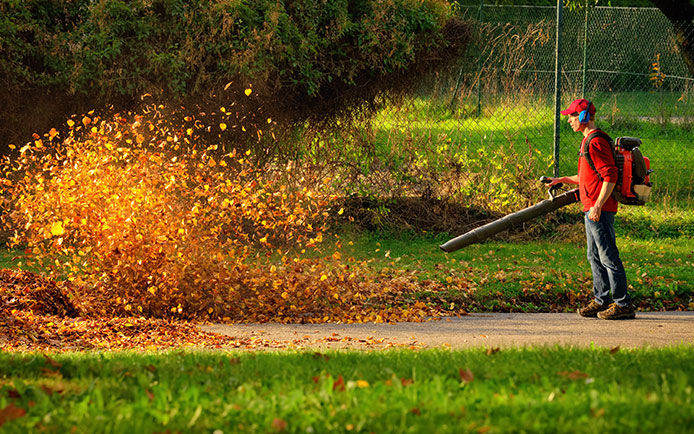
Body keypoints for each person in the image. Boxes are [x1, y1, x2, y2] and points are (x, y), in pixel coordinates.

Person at [547, 98, 635, 320]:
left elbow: (610, 176)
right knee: (594, 256)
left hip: (599, 210)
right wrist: (562, 179)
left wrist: (597, 205)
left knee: (608, 256)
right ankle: (601, 300)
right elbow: (588, 176)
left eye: (572, 116)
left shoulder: (595, 142)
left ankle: (623, 304)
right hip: (592, 209)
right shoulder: (588, 141)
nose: (569, 120)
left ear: (584, 117)